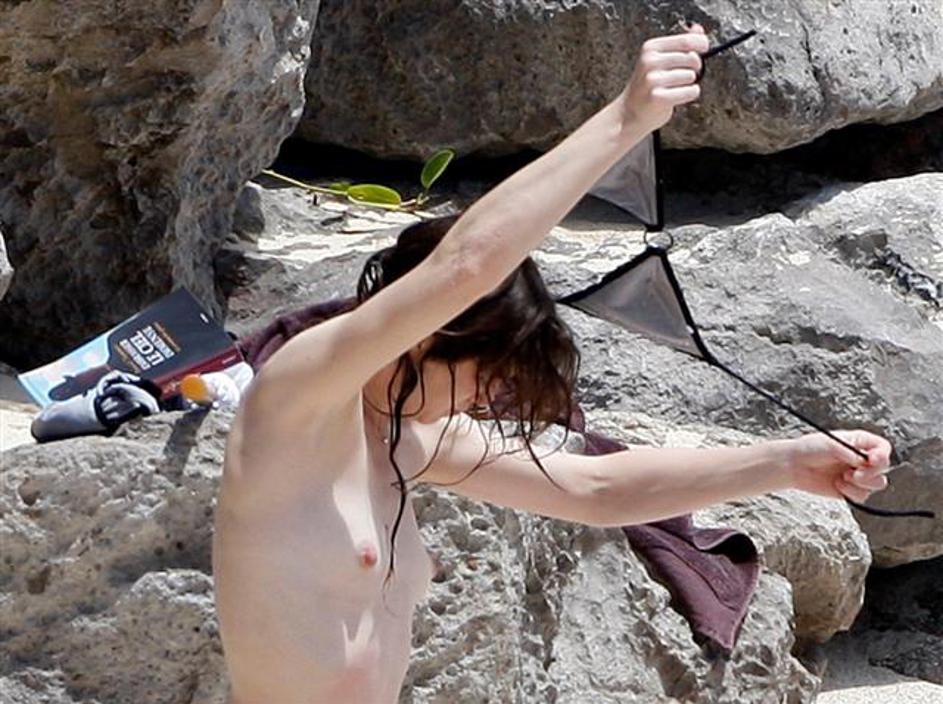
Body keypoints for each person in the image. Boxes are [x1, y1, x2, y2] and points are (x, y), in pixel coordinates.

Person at [212, 25, 891, 704]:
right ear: (429, 332)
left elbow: (596, 489)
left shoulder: (408, 438)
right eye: (484, 373)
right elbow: (467, 266)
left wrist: (786, 464)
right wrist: (626, 119)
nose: (483, 399)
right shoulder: (297, 398)